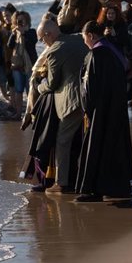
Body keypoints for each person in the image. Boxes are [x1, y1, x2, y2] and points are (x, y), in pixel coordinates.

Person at [74, 21, 132, 202]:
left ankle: (95, 188)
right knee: (113, 148)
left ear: (91, 35)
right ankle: (116, 186)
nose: (84, 41)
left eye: (84, 37)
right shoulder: (112, 51)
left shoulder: (96, 55)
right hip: (114, 108)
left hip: (100, 112)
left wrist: (87, 109)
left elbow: (89, 87)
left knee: (98, 148)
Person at [35, 18, 88, 193]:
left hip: (72, 101)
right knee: (85, 141)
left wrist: (38, 86)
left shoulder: (54, 51)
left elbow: (51, 84)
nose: (43, 43)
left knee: (63, 142)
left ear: (49, 34)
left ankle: (61, 182)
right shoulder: (79, 39)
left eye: (42, 39)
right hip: (90, 97)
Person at [7, 11, 37, 119]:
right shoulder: (15, 32)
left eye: (22, 20)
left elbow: (32, 42)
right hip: (17, 65)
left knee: (30, 91)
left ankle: (31, 114)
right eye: (18, 20)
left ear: (27, 20)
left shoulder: (32, 32)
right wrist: (14, 33)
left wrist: (24, 33)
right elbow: (9, 45)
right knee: (18, 90)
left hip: (30, 66)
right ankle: (19, 113)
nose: (20, 22)